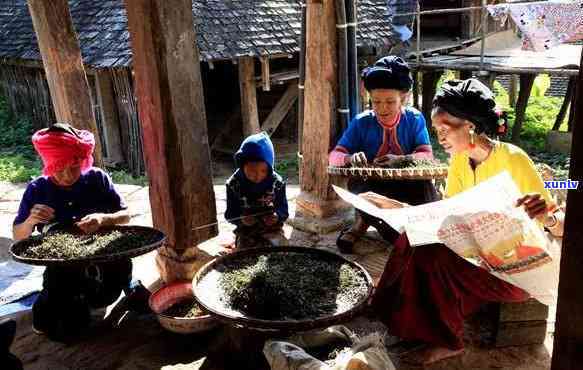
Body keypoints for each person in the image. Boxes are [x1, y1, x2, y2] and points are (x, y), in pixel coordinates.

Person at [366, 79, 565, 364]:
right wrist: (399, 209)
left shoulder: (514, 160)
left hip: (515, 271)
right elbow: (448, 215)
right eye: (437, 132)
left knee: (434, 258)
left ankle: (449, 340)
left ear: (470, 125)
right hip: (477, 256)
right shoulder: (460, 161)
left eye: (445, 130)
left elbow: (559, 225)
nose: (441, 138)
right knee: (412, 238)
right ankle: (392, 311)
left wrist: (548, 215)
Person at [12, 123, 134, 341]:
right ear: (49, 164)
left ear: (81, 159)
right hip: (63, 265)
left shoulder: (97, 178)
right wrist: (30, 220)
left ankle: (110, 290)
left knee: (110, 288)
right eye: (59, 168)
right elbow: (19, 236)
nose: (68, 175)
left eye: (75, 166)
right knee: (65, 326)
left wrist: (104, 218)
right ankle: (61, 301)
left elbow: (125, 215)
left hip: (103, 252)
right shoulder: (38, 189)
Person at [329, 56, 438, 252]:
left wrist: (403, 159)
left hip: (408, 186)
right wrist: (349, 159)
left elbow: (427, 156)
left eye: (390, 101)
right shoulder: (362, 122)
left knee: (425, 188)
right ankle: (363, 222)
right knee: (360, 188)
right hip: (372, 186)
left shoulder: (414, 119)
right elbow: (334, 156)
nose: (382, 108)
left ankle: (409, 230)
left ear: (403, 98)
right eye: (376, 101)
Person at [225, 132, 289, 249]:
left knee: (281, 249)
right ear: (242, 165)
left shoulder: (277, 183)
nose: (257, 176)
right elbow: (230, 214)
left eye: (263, 171)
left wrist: (276, 216)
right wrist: (242, 220)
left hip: (271, 227)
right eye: (251, 171)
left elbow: (283, 210)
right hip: (246, 229)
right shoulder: (233, 185)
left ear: (270, 168)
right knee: (244, 252)